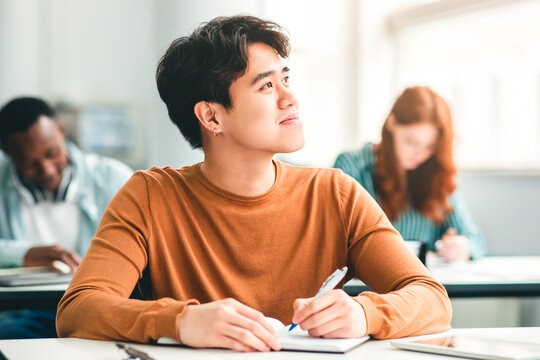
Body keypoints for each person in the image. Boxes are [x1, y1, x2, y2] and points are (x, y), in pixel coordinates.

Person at [56, 16, 451, 352]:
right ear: (211, 118)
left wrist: (365, 312)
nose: (290, 98)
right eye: (266, 86)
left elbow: (432, 298)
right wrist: (181, 321)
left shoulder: (336, 193)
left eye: (286, 79)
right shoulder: (149, 195)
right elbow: (78, 310)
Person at [0, 97, 133, 338]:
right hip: (26, 314)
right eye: (30, 164)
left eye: (52, 153)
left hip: (100, 310)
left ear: (61, 130)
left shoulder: (115, 179)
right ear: (9, 154)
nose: (48, 170)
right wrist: (24, 254)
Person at [334, 86, 487, 262]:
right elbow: (332, 241)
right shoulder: (352, 166)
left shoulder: (437, 173)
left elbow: (476, 240)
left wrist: (463, 248)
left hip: (420, 286)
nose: (420, 154)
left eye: (430, 147)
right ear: (391, 123)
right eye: (411, 142)